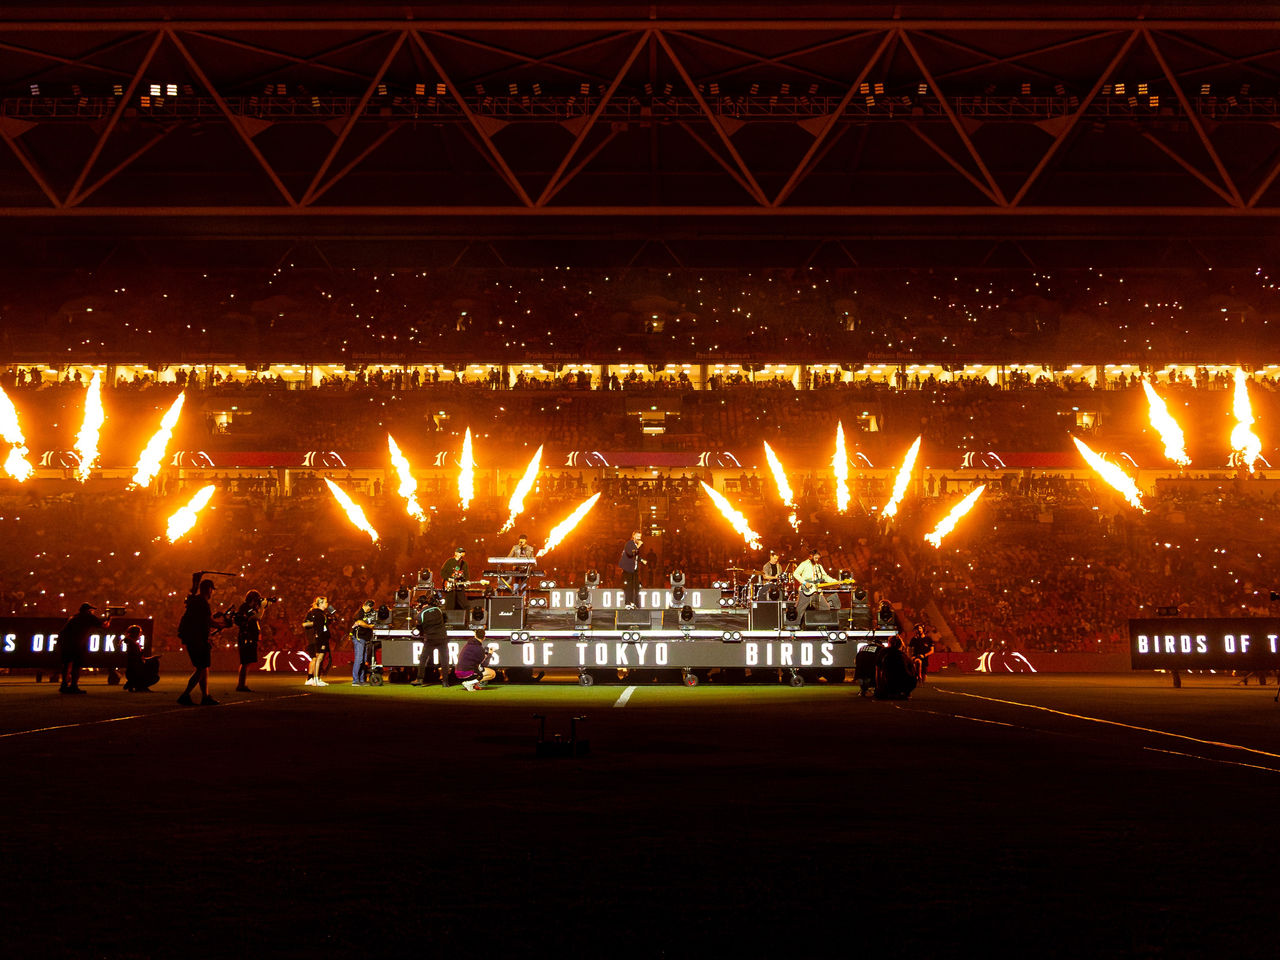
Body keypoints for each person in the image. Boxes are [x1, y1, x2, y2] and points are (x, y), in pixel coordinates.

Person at [177, 577, 218, 705]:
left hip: (193, 638)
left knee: (203, 667)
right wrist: (221, 625)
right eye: (211, 590)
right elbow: (208, 621)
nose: (212, 593)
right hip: (198, 639)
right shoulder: (202, 603)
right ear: (209, 589)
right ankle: (185, 694)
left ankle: (205, 696)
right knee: (201, 668)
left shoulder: (194, 601)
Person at [57, 602, 108, 694]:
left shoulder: (74, 617)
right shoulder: (88, 617)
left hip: (65, 642)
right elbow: (104, 625)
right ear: (88, 611)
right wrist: (110, 618)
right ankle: (73, 686)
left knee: (67, 664)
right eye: (91, 610)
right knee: (76, 665)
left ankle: (64, 685)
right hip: (76, 643)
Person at [411, 592, 449, 686]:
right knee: (444, 659)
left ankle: (419, 679)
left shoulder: (421, 614)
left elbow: (419, 627)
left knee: (423, 658)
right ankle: (445, 681)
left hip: (430, 639)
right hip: (442, 637)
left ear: (420, 604)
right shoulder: (438, 610)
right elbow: (444, 619)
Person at [792, 548, 835, 626]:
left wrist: (835, 581)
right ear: (811, 556)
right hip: (805, 592)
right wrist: (804, 583)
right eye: (815, 558)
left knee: (825, 608)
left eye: (818, 558)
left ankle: (820, 626)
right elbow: (795, 574)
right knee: (799, 610)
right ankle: (795, 627)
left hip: (816, 591)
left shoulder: (819, 566)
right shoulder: (804, 564)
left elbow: (825, 577)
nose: (817, 560)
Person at [234, 590, 265, 692]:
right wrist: (262, 608)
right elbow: (257, 617)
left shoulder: (249, 608)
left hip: (248, 637)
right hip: (246, 637)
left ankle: (242, 684)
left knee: (246, 662)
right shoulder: (246, 608)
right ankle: (241, 685)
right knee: (245, 661)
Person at [302, 596, 334, 687]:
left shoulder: (323, 613)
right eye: (325, 602)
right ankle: (313, 678)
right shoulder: (314, 613)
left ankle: (315, 678)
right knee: (316, 658)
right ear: (320, 603)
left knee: (318, 658)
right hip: (315, 638)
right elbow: (305, 624)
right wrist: (316, 624)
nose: (327, 604)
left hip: (321, 637)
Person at [875, 636, 918, 700]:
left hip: (889, 683)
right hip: (907, 683)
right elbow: (912, 670)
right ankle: (905, 693)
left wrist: (879, 687)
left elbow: (878, 670)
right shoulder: (903, 655)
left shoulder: (883, 652)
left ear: (889, 643)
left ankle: (892, 692)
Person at [122, 624, 160, 693]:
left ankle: (133, 684)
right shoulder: (133, 645)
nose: (140, 635)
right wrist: (152, 659)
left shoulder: (131, 643)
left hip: (132, 671)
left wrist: (152, 658)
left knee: (154, 661)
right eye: (139, 633)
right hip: (135, 671)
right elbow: (138, 659)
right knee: (155, 676)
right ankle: (139, 685)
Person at [350, 599, 377, 686]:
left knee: (364, 660)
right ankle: (355, 680)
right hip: (359, 638)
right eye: (370, 607)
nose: (370, 609)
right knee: (359, 659)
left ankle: (362, 679)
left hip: (365, 638)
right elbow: (359, 622)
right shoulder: (360, 612)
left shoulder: (368, 613)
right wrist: (369, 626)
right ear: (367, 605)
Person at [618, 530, 645, 608]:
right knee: (629, 586)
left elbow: (635, 556)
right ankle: (627, 603)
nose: (639, 538)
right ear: (633, 536)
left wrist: (642, 560)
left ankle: (633, 602)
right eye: (637, 536)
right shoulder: (629, 544)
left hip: (634, 570)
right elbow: (630, 553)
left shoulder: (634, 545)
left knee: (636, 587)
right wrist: (638, 546)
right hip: (628, 569)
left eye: (640, 537)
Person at [439, 547, 470, 611]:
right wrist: (449, 579)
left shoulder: (464, 564)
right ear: (455, 553)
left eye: (462, 552)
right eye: (460, 552)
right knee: (450, 605)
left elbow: (466, 574)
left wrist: (467, 581)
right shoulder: (449, 561)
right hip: (450, 586)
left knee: (465, 605)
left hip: (459, 586)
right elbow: (442, 572)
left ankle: (467, 618)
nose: (461, 554)